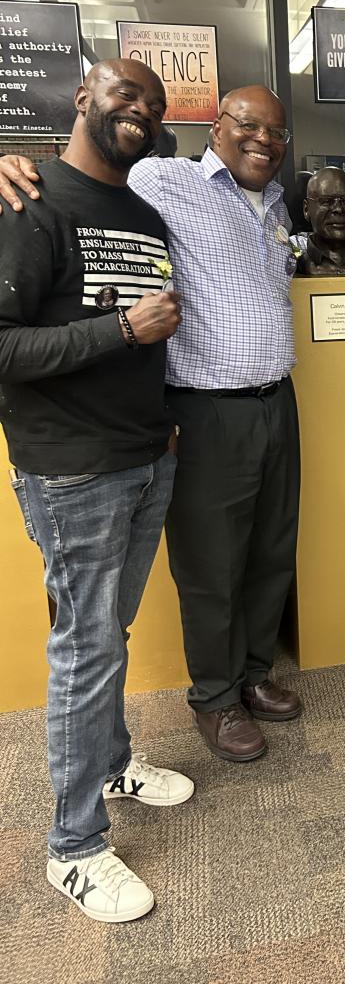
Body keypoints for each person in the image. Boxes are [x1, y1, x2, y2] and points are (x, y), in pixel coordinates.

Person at [0, 86, 303, 763]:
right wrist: (13, 163)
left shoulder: (279, 203)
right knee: (212, 563)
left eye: (276, 131)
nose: (263, 140)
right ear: (217, 126)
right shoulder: (164, 178)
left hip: (277, 403)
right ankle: (216, 698)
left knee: (271, 550)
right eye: (248, 125)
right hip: (205, 409)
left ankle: (255, 674)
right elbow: (90, 170)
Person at [0, 59, 192, 922]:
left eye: (152, 105)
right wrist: (121, 329)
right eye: (124, 95)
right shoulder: (28, 201)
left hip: (146, 455)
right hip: (71, 467)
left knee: (105, 633)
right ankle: (73, 848)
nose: (139, 111)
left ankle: (112, 764)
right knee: (84, 648)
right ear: (82, 98)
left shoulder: (144, 210)